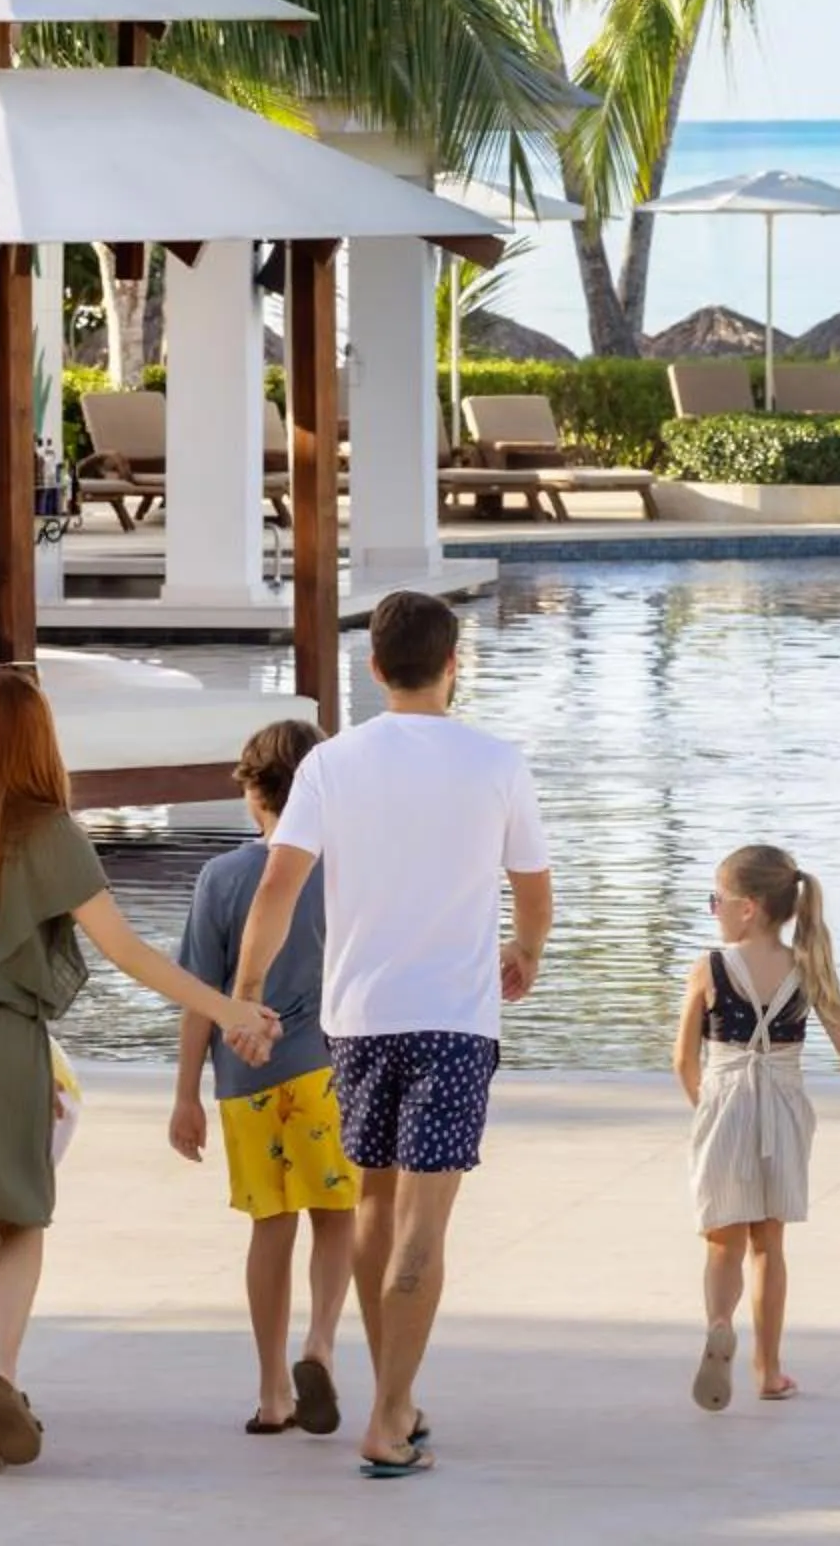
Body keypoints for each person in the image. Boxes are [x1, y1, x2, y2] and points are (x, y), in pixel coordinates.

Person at [0, 667, 280, 1475]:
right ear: (35, 741)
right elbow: (127, 952)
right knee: (20, 1221)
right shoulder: (50, 832)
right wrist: (230, 1009)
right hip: (1, 1042)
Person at [241, 590, 552, 1480]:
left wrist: (248, 994)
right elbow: (533, 890)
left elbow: (278, 887)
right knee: (424, 1222)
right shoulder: (497, 761)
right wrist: (524, 952)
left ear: (373, 667)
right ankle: (386, 1417)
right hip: (454, 1022)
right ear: (455, 664)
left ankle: (395, 1400)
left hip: (359, 1022)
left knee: (374, 1207)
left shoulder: (331, 765)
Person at [168, 719, 360, 1438]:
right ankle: (321, 1346)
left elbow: (199, 997)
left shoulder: (221, 877)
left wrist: (186, 1094)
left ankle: (273, 1391)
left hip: (244, 1079)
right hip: (330, 1074)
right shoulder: (342, 868)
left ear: (254, 793)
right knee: (338, 1217)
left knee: (269, 1228)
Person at [673, 845, 840, 1412]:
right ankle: (769, 1369)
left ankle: (718, 1324)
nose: (713, 911)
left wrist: (705, 1109)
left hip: (725, 1104)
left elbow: (682, 1061)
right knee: (769, 1244)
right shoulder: (806, 967)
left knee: (722, 1242)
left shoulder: (710, 967)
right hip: (782, 1110)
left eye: (717, 901)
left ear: (748, 908)